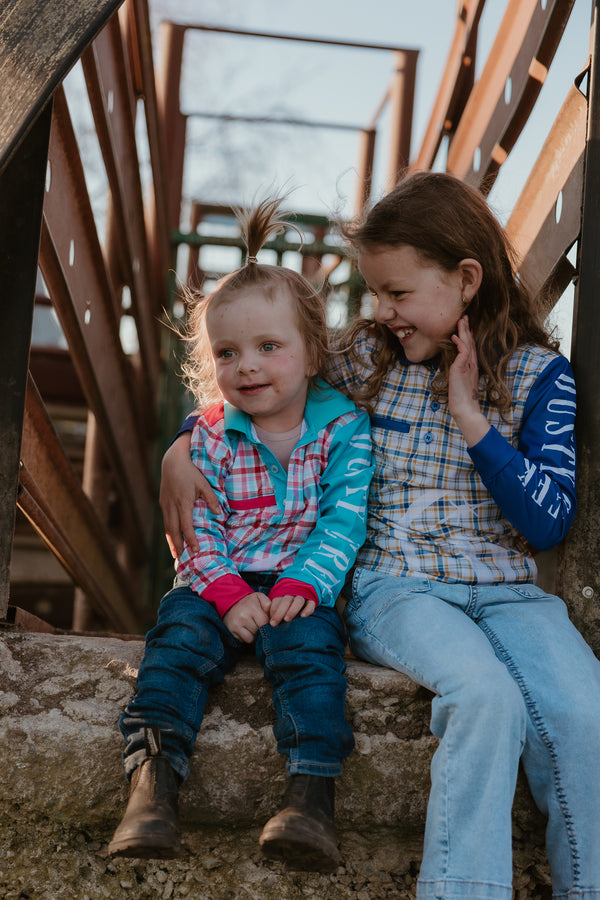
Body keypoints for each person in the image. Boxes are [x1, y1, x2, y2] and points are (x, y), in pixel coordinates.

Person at [160, 171, 600, 899]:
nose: (384, 310)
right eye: (375, 294)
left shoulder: (540, 377)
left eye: (398, 293)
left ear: (465, 279)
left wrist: (473, 421)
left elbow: (549, 520)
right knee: (485, 697)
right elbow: (268, 376)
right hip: (398, 585)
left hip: (512, 593)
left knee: (586, 711)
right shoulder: (368, 358)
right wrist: (182, 443)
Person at [108, 195, 373, 870]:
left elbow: (345, 517)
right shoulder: (209, 437)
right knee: (175, 645)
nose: (247, 366)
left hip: (297, 583)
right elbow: (198, 533)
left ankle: (310, 799)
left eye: (268, 347)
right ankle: (152, 789)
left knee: (312, 655)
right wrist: (227, 595)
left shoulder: (343, 430)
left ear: (312, 353)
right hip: (214, 583)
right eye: (228, 352)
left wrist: (304, 582)